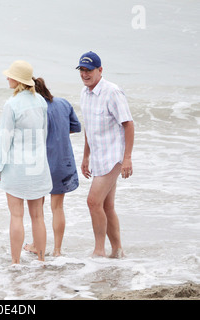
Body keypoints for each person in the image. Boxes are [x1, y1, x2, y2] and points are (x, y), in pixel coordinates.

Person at [0, 60, 52, 264]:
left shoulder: (12, 104)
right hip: (38, 166)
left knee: (17, 216)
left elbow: (5, 139)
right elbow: (44, 136)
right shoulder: (41, 102)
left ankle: (15, 263)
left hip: (17, 168)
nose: (7, 77)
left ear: (17, 79)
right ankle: (41, 261)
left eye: (10, 75)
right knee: (38, 217)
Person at [77, 51, 134, 258]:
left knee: (93, 202)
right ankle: (117, 250)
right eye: (82, 70)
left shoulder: (112, 92)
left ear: (100, 70)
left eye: (89, 70)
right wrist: (85, 157)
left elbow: (128, 124)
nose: (85, 74)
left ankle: (99, 250)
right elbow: (89, 128)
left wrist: (127, 158)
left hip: (113, 156)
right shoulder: (84, 93)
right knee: (107, 205)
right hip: (98, 156)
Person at [23, 77, 81, 257]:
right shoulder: (63, 103)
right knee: (58, 207)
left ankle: (36, 245)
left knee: (37, 210)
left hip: (41, 163)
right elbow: (75, 128)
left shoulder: (35, 109)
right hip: (62, 162)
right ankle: (57, 250)